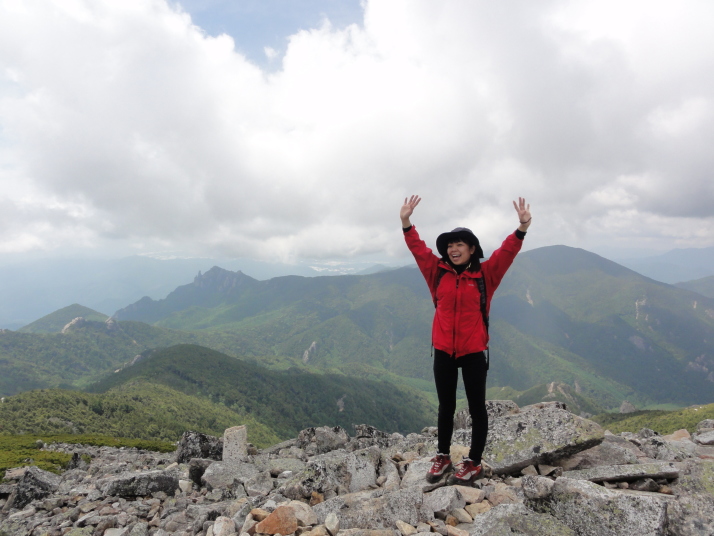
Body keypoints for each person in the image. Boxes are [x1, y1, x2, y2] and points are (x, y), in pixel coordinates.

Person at [400, 195, 532, 484]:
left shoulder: (485, 275)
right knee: (445, 406)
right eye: (449, 245)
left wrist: (521, 227)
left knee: (476, 408)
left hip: (473, 351)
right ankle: (443, 456)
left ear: (472, 249)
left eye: (460, 244)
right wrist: (406, 222)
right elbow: (419, 251)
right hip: (444, 350)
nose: (453, 248)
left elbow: (506, 253)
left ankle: (473, 462)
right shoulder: (437, 272)